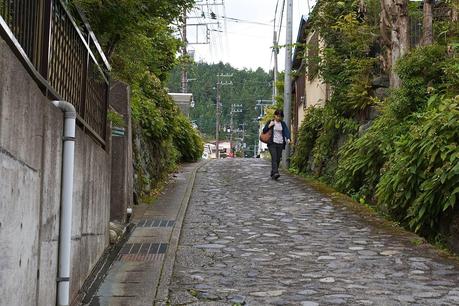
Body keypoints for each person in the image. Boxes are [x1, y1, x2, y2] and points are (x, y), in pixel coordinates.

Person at [262, 109, 291, 180]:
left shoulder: (282, 124)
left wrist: (288, 138)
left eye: (280, 116)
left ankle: (273, 173)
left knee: (278, 159)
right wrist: (269, 126)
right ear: (275, 115)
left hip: (280, 143)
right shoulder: (270, 122)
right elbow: (264, 130)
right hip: (272, 143)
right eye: (277, 116)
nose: (279, 118)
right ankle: (275, 172)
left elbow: (286, 131)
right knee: (274, 158)